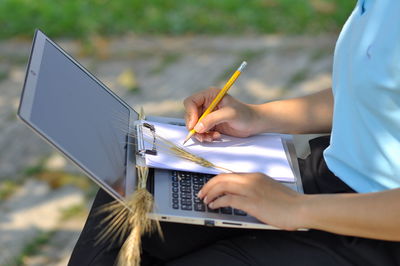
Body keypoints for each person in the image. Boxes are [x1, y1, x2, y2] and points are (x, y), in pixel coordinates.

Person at [69, 0, 400, 265]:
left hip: (379, 229)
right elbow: (377, 95)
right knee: (130, 196)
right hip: (330, 177)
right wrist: (258, 116)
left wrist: (296, 208)